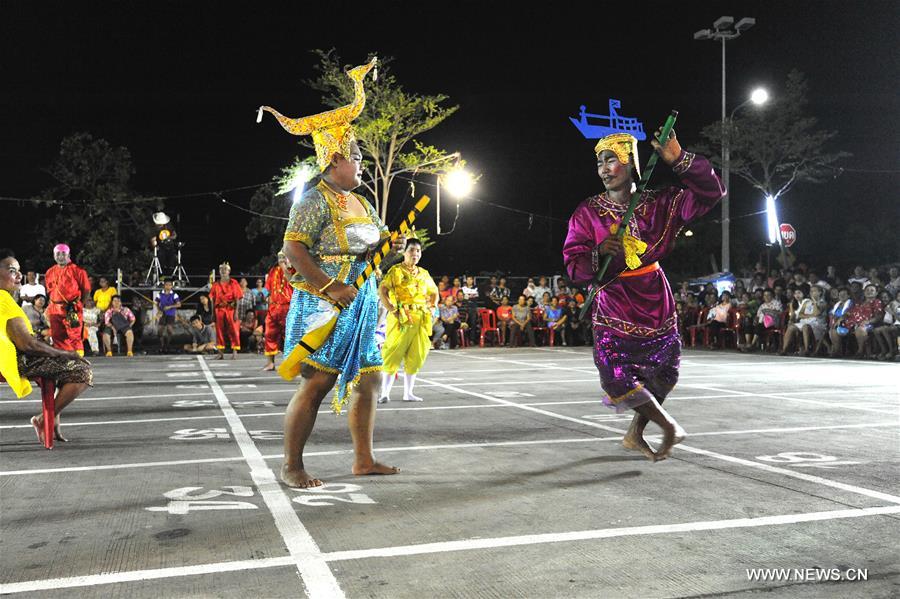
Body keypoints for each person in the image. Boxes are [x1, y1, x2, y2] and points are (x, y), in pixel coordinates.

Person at [260, 56, 403, 487]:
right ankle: (292, 466)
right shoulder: (315, 200)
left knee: (370, 379)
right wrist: (329, 284)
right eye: (357, 157)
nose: (362, 164)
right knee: (317, 382)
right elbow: (293, 247)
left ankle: (363, 460)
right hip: (323, 303)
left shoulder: (362, 202)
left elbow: (379, 247)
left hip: (359, 300)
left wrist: (390, 251)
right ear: (335, 158)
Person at [563, 127, 724, 461]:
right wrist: (596, 255)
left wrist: (679, 159)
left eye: (612, 160)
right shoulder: (588, 212)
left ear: (631, 163)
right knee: (614, 372)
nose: (604, 169)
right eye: (600, 163)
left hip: (656, 298)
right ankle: (669, 427)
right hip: (614, 300)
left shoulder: (663, 203)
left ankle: (636, 432)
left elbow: (712, 193)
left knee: (665, 371)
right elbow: (574, 266)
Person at [1, 249, 92, 444]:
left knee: (61, 364)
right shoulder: (4, 300)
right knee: (82, 370)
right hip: (15, 360)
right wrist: (64, 354)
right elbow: (28, 344)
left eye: (19, 271)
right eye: (11, 270)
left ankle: (51, 419)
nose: (18, 276)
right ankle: (44, 420)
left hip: (14, 354)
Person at [379, 238, 439, 403]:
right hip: (401, 318)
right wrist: (392, 309)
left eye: (418, 251)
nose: (415, 254)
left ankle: (408, 393)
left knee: (416, 355)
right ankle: (385, 393)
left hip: (420, 318)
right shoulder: (395, 271)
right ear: (404, 252)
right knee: (392, 352)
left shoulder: (424, 273)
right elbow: (382, 291)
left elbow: (434, 292)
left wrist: (432, 307)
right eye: (412, 250)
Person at [44, 244, 91, 356]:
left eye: (63, 254)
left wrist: (79, 304)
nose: (60, 256)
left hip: (72, 308)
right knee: (57, 335)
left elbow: (86, 290)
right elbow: (50, 291)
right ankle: (63, 361)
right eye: (57, 254)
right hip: (55, 309)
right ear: (54, 255)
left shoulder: (78, 271)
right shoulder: (50, 272)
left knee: (74, 335)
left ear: (69, 255)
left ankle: (78, 363)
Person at [263, 253, 294, 371]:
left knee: (289, 336)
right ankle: (270, 363)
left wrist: (284, 267)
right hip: (274, 307)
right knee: (269, 334)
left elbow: (292, 281)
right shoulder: (273, 271)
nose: (281, 260)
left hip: (288, 307)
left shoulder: (293, 269)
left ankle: (290, 363)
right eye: (279, 258)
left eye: (283, 257)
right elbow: (269, 289)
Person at [838, 284, 884, 358]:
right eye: (867, 290)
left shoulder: (877, 302)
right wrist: (842, 318)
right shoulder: (859, 302)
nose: (869, 292)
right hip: (852, 323)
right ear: (864, 292)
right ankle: (836, 351)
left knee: (860, 329)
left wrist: (868, 321)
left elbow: (879, 316)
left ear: (876, 293)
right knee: (834, 329)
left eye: (872, 290)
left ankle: (860, 351)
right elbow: (849, 312)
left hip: (868, 324)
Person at [209, 262, 243, 359]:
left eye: (225, 269)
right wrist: (213, 313)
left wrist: (236, 312)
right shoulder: (216, 285)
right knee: (219, 331)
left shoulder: (234, 283)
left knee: (234, 330)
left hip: (231, 309)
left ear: (229, 271)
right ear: (219, 272)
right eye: (222, 270)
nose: (223, 271)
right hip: (219, 310)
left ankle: (235, 351)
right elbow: (213, 300)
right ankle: (220, 353)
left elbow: (237, 299)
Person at [155, 279, 181, 354]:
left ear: (172, 286)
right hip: (162, 314)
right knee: (160, 330)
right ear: (164, 285)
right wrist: (158, 310)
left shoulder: (174, 294)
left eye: (170, 285)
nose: (168, 286)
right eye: (166, 285)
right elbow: (156, 303)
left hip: (171, 314)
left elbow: (179, 304)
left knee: (169, 330)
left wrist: (170, 307)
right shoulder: (160, 294)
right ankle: (162, 345)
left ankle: (167, 345)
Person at [873, 289, 900, 360]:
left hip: (896, 325)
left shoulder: (894, 304)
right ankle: (884, 350)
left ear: (890, 297)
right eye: (898, 296)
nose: (883, 299)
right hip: (892, 324)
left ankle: (891, 351)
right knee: (876, 330)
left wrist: (892, 312)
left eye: (885, 297)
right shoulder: (888, 305)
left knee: (885, 329)